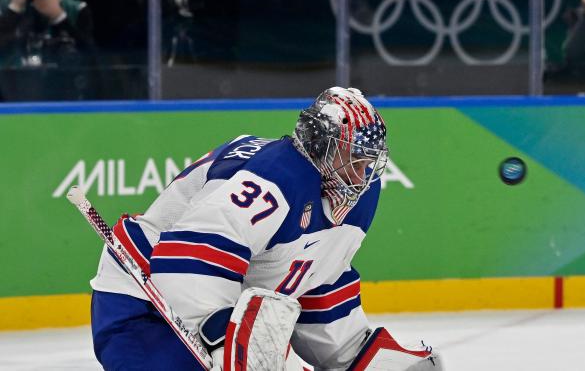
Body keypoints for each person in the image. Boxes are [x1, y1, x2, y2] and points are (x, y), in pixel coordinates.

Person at [89, 87, 444, 370]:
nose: (360, 175)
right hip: (144, 302)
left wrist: (363, 357)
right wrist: (223, 338)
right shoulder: (276, 175)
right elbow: (193, 257)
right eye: (350, 158)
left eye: (367, 163)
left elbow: (316, 283)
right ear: (318, 145)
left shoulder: (358, 198)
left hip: (220, 304)